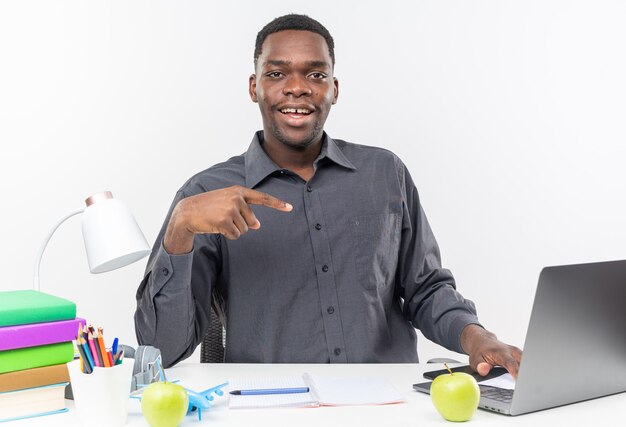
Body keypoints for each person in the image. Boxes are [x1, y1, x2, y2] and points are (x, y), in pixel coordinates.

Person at [134, 13, 522, 377]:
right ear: (255, 87)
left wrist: (477, 336)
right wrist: (180, 228)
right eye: (276, 72)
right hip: (272, 408)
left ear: (333, 89)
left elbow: (425, 290)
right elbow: (162, 351)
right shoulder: (206, 195)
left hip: (390, 405)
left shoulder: (385, 174)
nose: (297, 87)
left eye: (316, 74)